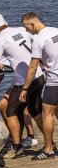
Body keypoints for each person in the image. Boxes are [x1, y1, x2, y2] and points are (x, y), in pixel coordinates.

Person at [0, 12, 45, 159]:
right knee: (34, 110)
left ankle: (16, 147)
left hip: (24, 81)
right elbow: (38, 45)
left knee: (10, 112)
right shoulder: (22, 30)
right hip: (39, 75)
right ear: (4, 22)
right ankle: (49, 144)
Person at [20, 12, 58, 160]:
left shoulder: (38, 39)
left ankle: (48, 150)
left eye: (26, 27)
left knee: (47, 114)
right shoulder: (56, 30)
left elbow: (32, 67)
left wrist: (25, 88)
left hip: (54, 81)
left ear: (33, 24)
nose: (27, 31)